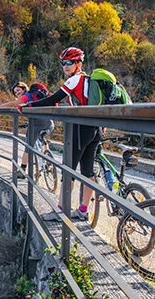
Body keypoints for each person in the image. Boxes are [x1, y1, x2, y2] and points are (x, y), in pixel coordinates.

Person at [19, 47, 100, 221]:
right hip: (95, 128)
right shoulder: (88, 79)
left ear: (78, 63)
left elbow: (52, 99)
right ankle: (83, 210)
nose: (66, 66)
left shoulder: (74, 80)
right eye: (64, 63)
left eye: (70, 62)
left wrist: (27, 107)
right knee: (87, 170)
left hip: (80, 128)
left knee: (67, 170)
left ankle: (61, 211)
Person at [0, 82, 55, 177]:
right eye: (15, 92)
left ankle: (22, 170)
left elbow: (13, 103)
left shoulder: (26, 96)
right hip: (49, 122)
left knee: (28, 146)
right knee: (42, 138)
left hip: (37, 123)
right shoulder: (35, 96)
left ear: (24, 89)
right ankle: (47, 160)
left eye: (18, 90)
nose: (17, 93)